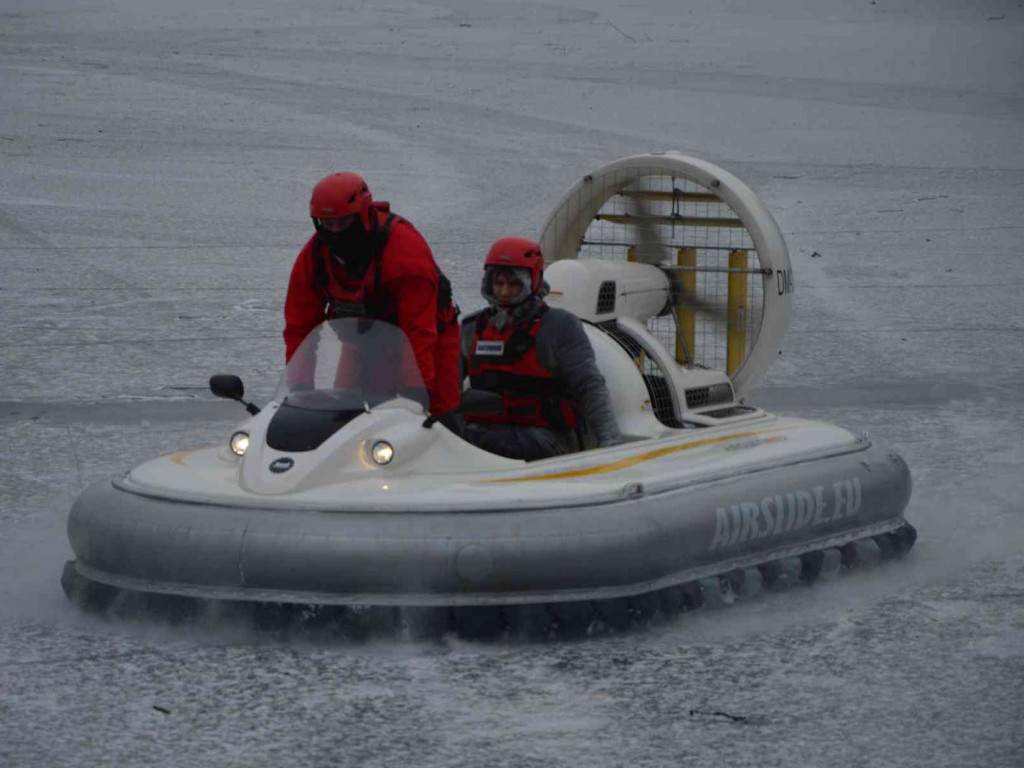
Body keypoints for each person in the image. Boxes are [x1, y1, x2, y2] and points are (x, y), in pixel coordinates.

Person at [283, 171, 460, 417]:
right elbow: (299, 328)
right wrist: (300, 390)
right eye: (327, 224)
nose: (335, 232)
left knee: (439, 426)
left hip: (428, 349)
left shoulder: (404, 252)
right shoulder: (314, 257)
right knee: (344, 421)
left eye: (343, 223)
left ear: (363, 216)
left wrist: (417, 394)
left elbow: (419, 332)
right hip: (361, 349)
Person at [461, 236, 622, 460]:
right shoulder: (473, 329)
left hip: (544, 437)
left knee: (495, 445)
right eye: (499, 283)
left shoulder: (560, 327)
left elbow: (589, 386)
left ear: (533, 282)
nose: (505, 292)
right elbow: (443, 383)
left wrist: (610, 443)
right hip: (484, 432)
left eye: (514, 284)